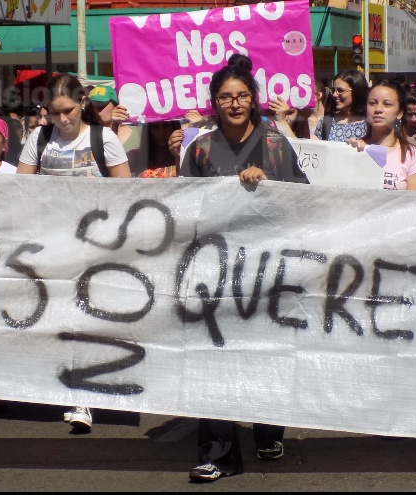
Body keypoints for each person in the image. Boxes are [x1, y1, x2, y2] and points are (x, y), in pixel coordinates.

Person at [180, 54, 306, 483]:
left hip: (268, 270)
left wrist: (267, 188)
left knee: (265, 353)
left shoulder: (276, 145)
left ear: (254, 100)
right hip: (216, 270)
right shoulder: (198, 148)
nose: (234, 104)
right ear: (214, 103)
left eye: (242, 96)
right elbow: (185, 207)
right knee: (215, 357)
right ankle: (216, 453)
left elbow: (304, 199)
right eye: (224, 97)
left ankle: (268, 428)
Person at [17, 74, 130, 430]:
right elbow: (18, 188)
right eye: (54, 113)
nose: (62, 119)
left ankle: (80, 398)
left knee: (85, 318)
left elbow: (126, 193)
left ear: (82, 103)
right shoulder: (38, 138)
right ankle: (63, 386)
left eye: (67, 111)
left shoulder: (104, 138)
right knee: (59, 319)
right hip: (52, 245)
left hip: (95, 250)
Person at [347, 80, 416, 190]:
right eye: (372, 103)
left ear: (400, 113)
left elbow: (414, 203)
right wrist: (347, 152)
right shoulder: (351, 149)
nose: (378, 109)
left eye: (387, 104)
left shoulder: (412, 156)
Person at [315, 69, 369, 142]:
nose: (334, 95)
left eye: (340, 91)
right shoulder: (325, 122)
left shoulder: (371, 124)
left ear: (356, 91)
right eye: (333, 90)